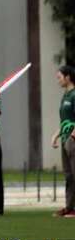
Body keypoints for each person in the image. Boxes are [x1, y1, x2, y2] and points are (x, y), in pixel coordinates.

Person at [52, 65, 75, 218]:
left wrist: (73, 135)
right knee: (69, 175)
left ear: (68, 77)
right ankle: (69, 207)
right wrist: (55, 135)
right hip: (65, 138)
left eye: (60, 77)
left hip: (73, 139)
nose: (58, 80)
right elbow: (64, 120)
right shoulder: (65, 96)